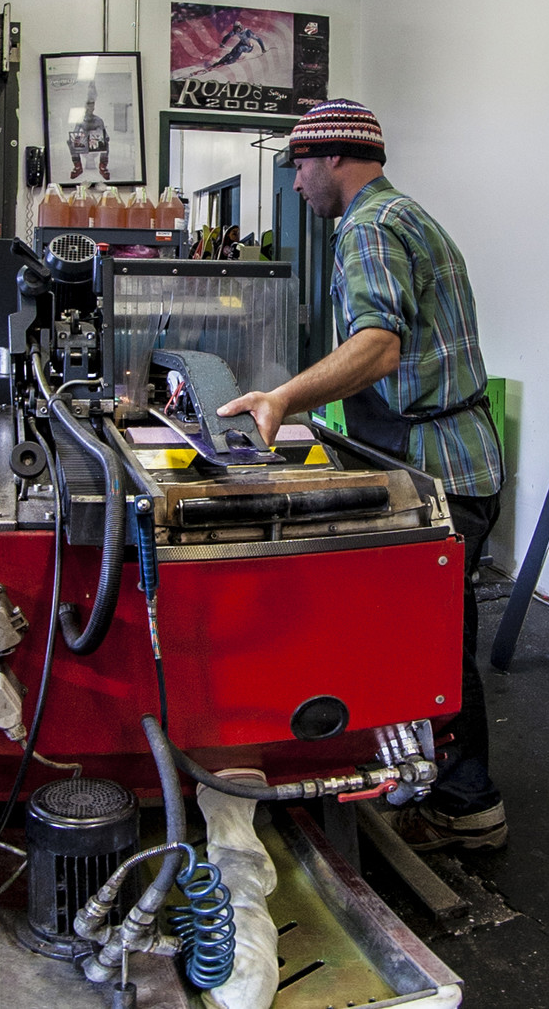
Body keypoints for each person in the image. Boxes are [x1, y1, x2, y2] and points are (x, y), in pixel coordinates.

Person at [218, 99, 507, 852]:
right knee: (443, 632)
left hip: (437, 464)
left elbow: (379, 347)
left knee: (430, 642)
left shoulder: (369, 228)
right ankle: (439, 781)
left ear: (334, 158)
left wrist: (283, 396)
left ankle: (463, 801)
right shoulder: (407, 214)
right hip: (462, 454)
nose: (295, 183)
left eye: (299, 165)